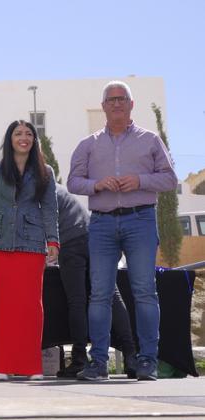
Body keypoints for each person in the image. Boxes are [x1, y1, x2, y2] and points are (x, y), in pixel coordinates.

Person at [68, 80, 178, 381]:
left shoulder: (150, 140)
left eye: (122, 99)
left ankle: (148, 361)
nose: (116, 103)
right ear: (103, 106)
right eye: (111, 99)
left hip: (140, 219)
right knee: (100, 294)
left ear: (131, 104)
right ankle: (98, 362)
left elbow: (170, 179)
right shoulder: (88, 144)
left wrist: (140, 181)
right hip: (101, 223)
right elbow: (73, 182)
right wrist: (97, 185)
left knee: (144, 291)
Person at [0, 120, 59, 381]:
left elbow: (50, 209)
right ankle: (2, 364)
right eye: (18, 133)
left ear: (35, 140)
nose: (24, 138)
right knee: (1, 307)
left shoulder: (45, 171)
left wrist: (53, 241)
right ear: (9, 139)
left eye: (29, 134)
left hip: (32, 244)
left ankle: (31, 366)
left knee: (31, 307)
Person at [53, 184, 137, 378]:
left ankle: (79, 359)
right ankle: (131, 355)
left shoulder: (35, 188)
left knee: (77, 301)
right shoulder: (55, 186)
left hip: (70, 243)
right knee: (111, 295)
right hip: (94, 235)